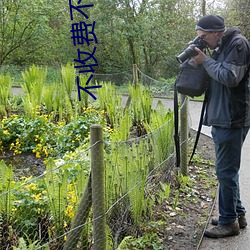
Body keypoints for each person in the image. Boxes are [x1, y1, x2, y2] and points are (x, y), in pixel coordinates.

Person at [192, 15, 250, 238]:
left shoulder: (238, 44)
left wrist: (205, 61)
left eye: (204, 37)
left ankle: (228, 223)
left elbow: (229, 77)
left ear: (216, 32)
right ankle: (237, 214)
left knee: (225, 171)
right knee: (227, 171)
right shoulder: (221, 46)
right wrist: (202, 59)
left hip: (232, 118)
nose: (203, 41)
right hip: (222, 117)